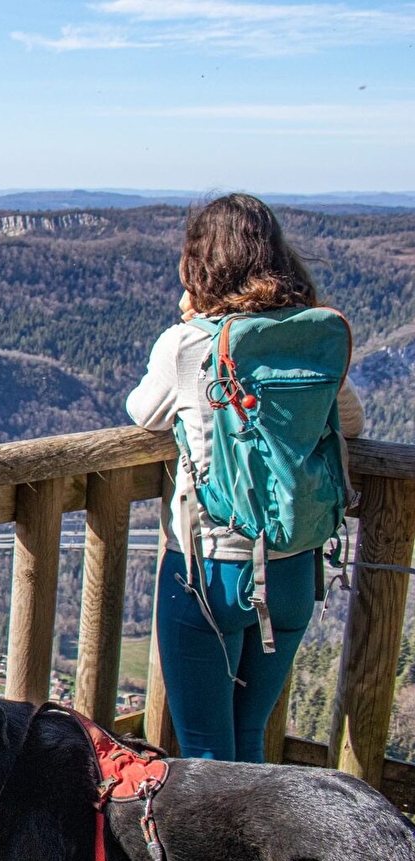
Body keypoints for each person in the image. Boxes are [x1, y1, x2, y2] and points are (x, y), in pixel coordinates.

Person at [126, 193, 363, 762]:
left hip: (208, 569)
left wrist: (187, 323)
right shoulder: (309, 338)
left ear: (198, 266)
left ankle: (218, 856)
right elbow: (349, 421)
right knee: (249, 738)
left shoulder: (189, 344)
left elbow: (143, 412)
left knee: (207, 753)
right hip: (293, 569)